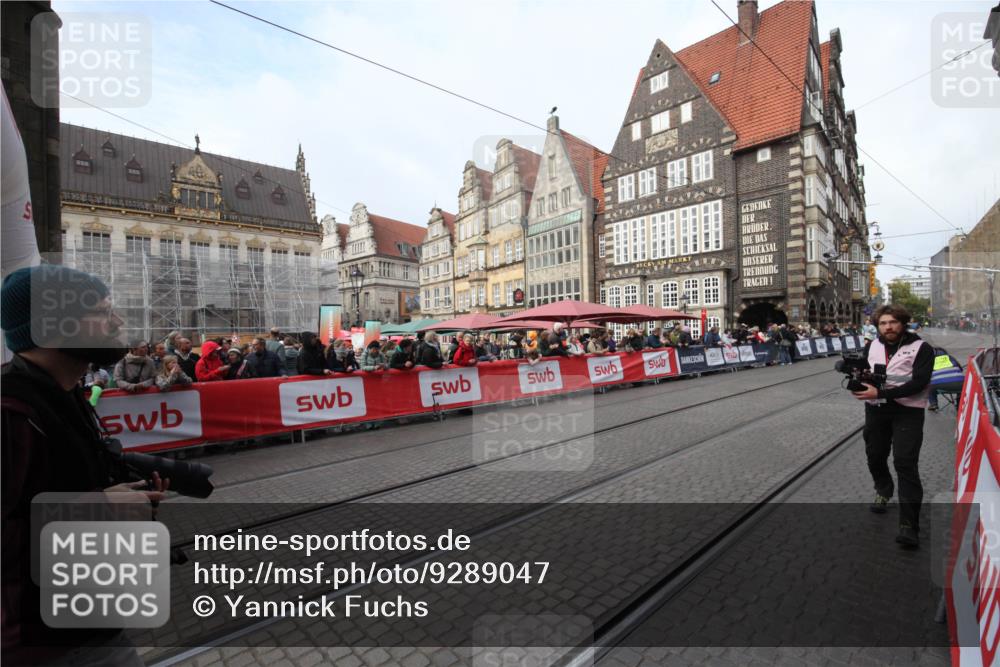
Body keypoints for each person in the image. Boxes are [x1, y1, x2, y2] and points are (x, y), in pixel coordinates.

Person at [1, 265, 168, 666]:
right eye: (102, 310)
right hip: (46, 643)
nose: (117, 320)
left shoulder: (64, 393)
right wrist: (100, 506)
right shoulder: (10, 413)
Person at [852, 304, 934, 548]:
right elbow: (866, 372)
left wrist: (882, 392)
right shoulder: (872, 345)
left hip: (908, 411)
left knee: (905, 462)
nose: (888, 327)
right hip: (876, 409)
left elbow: (920, 383)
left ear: (903, 322)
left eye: (893, 322)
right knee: (875, 455)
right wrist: (856, 378)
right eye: (883, 323)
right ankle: (884, 488)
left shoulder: (921, 348)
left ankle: (909, 526)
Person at [926, 346, 964, 412]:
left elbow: (926, 375)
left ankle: (933, 403)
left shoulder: (930, 360)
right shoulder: (950, 357)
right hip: (960, 384)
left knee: (928, 386)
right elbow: (961, 369)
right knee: (961, 386)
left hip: (940, 384)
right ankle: (959, 405)